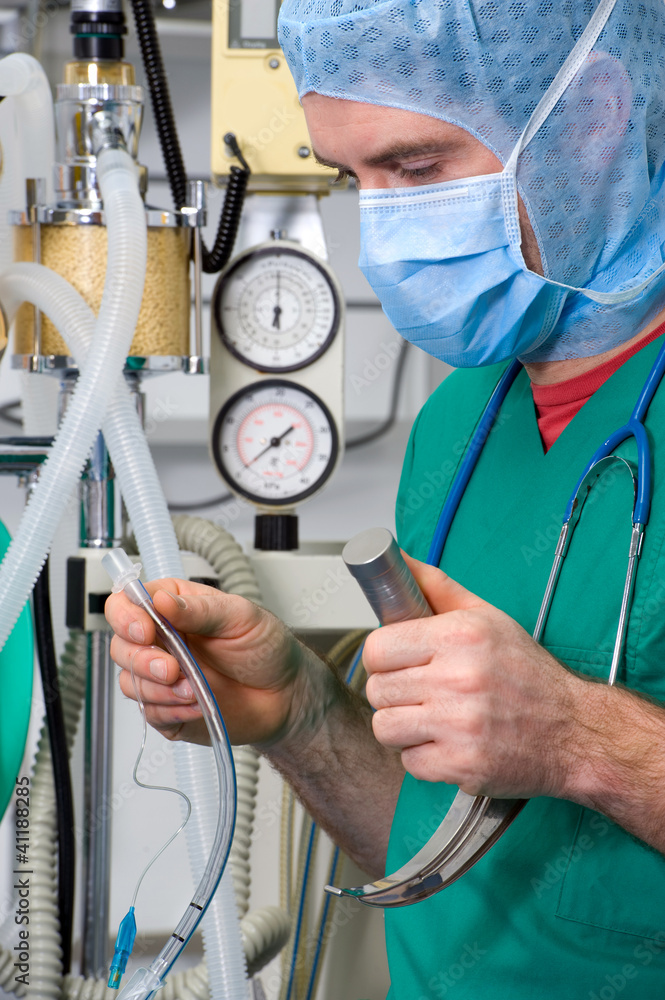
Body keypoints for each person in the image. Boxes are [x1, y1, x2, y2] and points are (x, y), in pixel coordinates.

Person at [106, 1, 665, 995]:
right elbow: (442, 863)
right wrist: (294, 717)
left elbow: (553, 743)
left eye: (415, 168)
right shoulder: (457, 425)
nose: (383, 231)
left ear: (590, 115)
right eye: (349, 178)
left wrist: (577, 738)